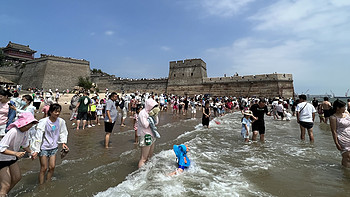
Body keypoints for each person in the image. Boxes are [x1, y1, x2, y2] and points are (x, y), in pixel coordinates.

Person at [0, 112, 38, 195]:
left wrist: (31, 152)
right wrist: (15, 153)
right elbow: (1, 148)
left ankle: (4, 193)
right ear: (22, 124)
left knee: (17, 177)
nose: (29, 126)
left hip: (12, 158)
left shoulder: (25, 132)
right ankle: (3, 192)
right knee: (6, 184)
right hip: (2, 159)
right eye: (28, 124)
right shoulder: (13, 131)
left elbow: (24, 145)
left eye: (31, 124)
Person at [31, 104, 69, 184]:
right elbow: (38, 136)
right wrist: (36, 150)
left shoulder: (61, 121)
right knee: (44, 168)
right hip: (43, 148)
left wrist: (63, 143)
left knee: (52, 167)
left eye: (59, 111)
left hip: (53, 147)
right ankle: (41, 185)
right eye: (55, 111)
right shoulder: (44, 122)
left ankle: (48, 182)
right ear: (51, 112)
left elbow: (63, 132)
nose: (57, 113)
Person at [138, 99, 159, 168]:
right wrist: (150, 116)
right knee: (143, 158)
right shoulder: (142, 113)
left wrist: (155, 115)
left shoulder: (151, 112)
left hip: (152, 135)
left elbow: (156, 123)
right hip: (145, 136)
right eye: (153, 106)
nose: (154, 108)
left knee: (150, 156)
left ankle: (147, 170)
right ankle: (140, 174)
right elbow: (145, 125)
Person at [330, 100, 350, 167]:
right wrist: (336, 143)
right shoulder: (333, 117)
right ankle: (346, 173)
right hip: (342, 137)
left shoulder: (347, 114)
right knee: (347, 156)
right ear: (338, 108)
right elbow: (334, 131)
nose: (345, 108)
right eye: (343, 107)